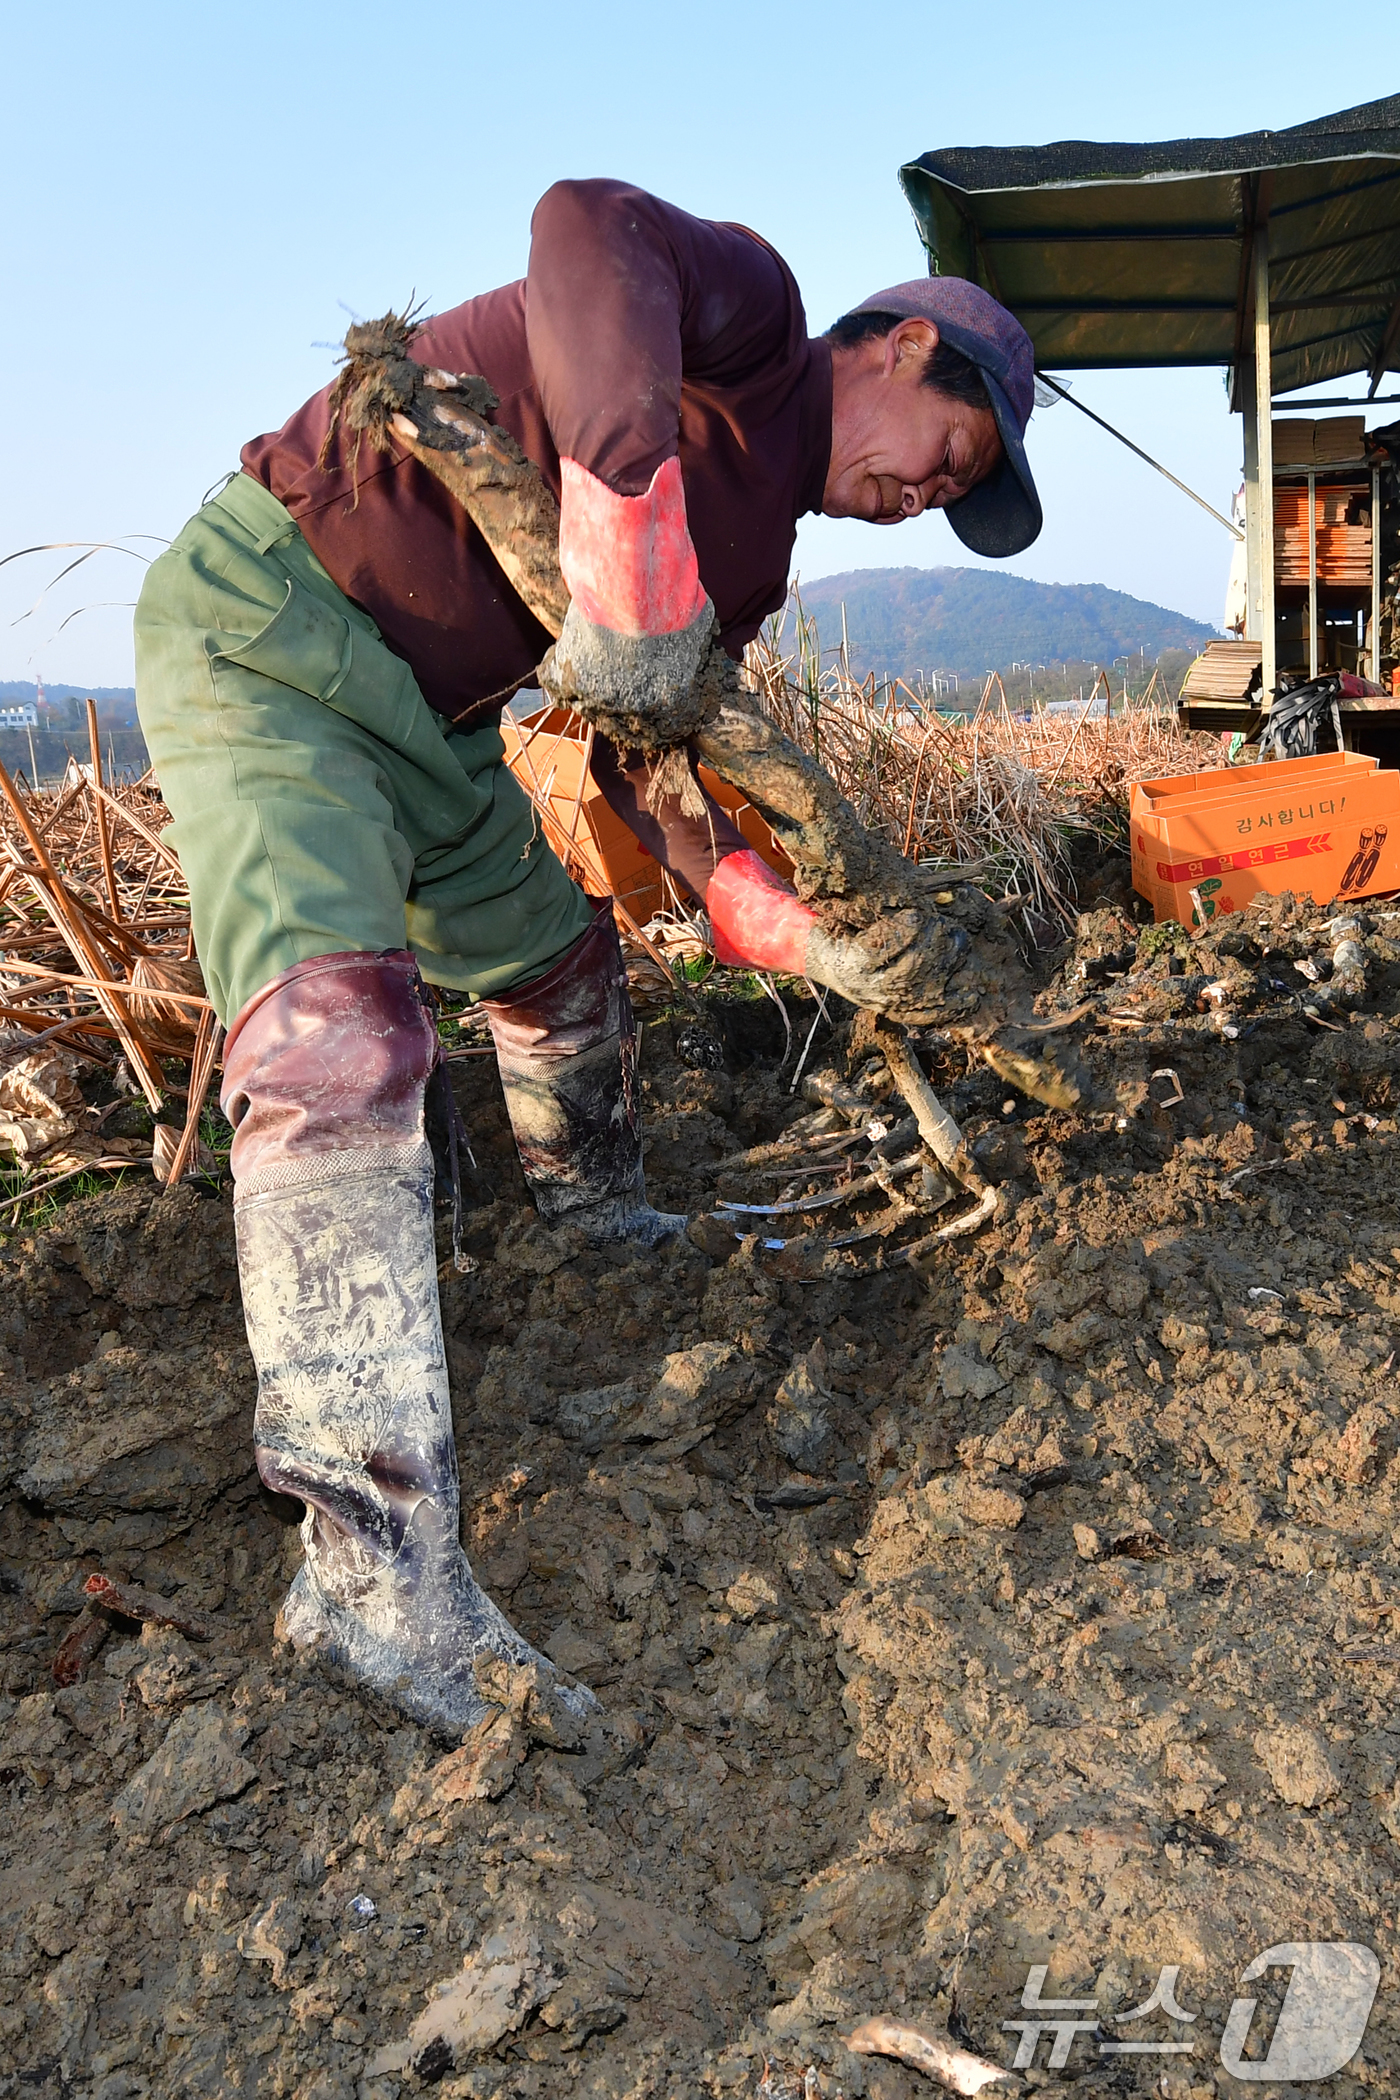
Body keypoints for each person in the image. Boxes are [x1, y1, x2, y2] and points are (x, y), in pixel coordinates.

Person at [134, 178, 1041, 1734]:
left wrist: (787, 925)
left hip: (435, 725)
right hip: (278, 627)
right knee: (340, 1047)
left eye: (951, 500)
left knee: (562, 968)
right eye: (947, 454)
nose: (922, 494)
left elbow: (654, 776)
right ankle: (373, 1578)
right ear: (894, 349)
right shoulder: (750, 325)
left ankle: (595, 1214)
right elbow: (584, 228)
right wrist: (624, 516)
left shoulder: (749, 571)